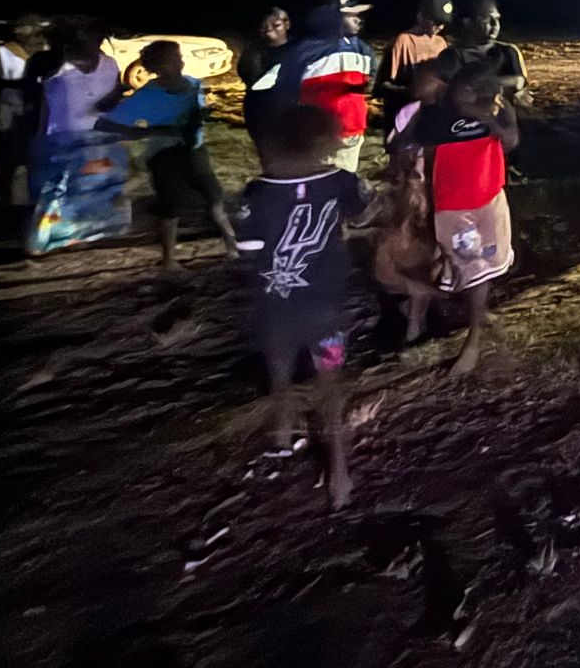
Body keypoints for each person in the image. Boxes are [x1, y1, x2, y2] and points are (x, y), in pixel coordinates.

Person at [234, 104, 370, 508]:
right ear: (326, 139)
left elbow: (247, 249)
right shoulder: (343, 181)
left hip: (276, 308)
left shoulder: (257, 191)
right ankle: (340, 475)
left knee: (279, 373)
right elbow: (363, 215)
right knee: (330, 386)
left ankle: (281, 431)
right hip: (326, 305)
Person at [410, 62, 519, 374]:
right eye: (461, 89)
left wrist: (487, 116)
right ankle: (468, 329)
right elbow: (421, 149)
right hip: (454, 207)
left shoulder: (498, 110)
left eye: (471, 91)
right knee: (468, 268)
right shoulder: (437, 115)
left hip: (489, 201)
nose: (464, 96)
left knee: (484, 268)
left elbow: (511, 142)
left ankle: (473, 339)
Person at [96, 40, 239, 269]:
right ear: (158, 65)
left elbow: (197, 114)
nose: (181, 62)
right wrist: (150, 130)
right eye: (174, 59)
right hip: (164, 156)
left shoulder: (193, 84)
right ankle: (169, 259)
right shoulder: (147, 95)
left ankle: (232, 246)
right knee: (170, 208)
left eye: (179, 57)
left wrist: (202, 113)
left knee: (214, 198)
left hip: (194, 151)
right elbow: (104, 125)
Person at [24, 19, 132, 255]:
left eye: (89, 35)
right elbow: (34, 100)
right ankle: (41, 241)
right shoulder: (48, 63)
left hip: (98, 138)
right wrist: (36, 137)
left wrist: (119, 97)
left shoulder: (109, 64)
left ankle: (78, 235)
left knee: (88, 189)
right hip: (57, 138)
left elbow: (110, 102)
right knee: (53, 191)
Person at [372, 62, 448, 345]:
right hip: (411, 193)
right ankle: (411, 311)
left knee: (427, 256)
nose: (413, 83)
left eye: (421, 79)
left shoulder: (449, 115)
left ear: (441, 83)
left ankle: (418, 318)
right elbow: (395, 150)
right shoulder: (410, 112)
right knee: (403, 254)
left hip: (435, 194)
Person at [265, 0, 375, 173]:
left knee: (343, 180)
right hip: (319, 135)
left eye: (360, 15)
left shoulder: (364, 50)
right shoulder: (306, 52)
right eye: (351, 15)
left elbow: (365, 83)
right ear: (332, 18)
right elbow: (286, 92)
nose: (359, 19)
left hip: (352, 131)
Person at [0, 15, 48, 207]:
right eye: (29, 28)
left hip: (35, 115)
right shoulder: (3, 53)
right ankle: (7, 208)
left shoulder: (44, 51)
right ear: (17, 30)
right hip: (10, 117)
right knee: (8, 166)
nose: (35, 33)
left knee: (35, 162)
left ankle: (33, 206)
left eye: (37, 28)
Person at [376, 0, 454, 132]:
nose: (440, 27)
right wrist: (409, 92)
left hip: (432, 116)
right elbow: (383, 84)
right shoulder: (403, 41)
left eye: (443, 24)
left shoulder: (441, 43)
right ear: (421, 16)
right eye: (436, 22)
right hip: (405, 117)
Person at [435, 0, 529, 103]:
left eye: (497, 19)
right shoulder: (451, 56)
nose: (495, 25)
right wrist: (506, 82)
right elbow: (459, 93)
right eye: (487, 19)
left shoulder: (508, 51)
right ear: (468, 22)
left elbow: (520, 83)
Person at [238, 7, 292, 152]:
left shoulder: (298, 50)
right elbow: (249, 79)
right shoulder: (253, 52)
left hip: (291, 113)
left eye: (276, 25)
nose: (269, 30)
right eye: (264, 27)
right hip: (261, 111)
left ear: (287, 24)